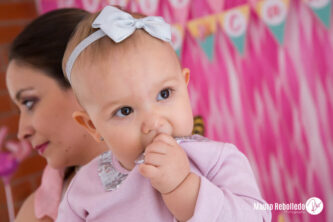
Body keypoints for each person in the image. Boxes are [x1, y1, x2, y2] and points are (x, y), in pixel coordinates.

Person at [57, 5, 272, 221]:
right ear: (92, 126)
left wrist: (183, 187)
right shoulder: (83, 191)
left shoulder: (216, 160)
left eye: (164, 94)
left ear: (185, 86)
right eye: (125, 111)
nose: (154, 122)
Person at [5, 8, 108, 222]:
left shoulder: (181, 178)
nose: (22, 131)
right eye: (19, 109)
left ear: (83, 83)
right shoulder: (35, 213)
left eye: (29, 102)